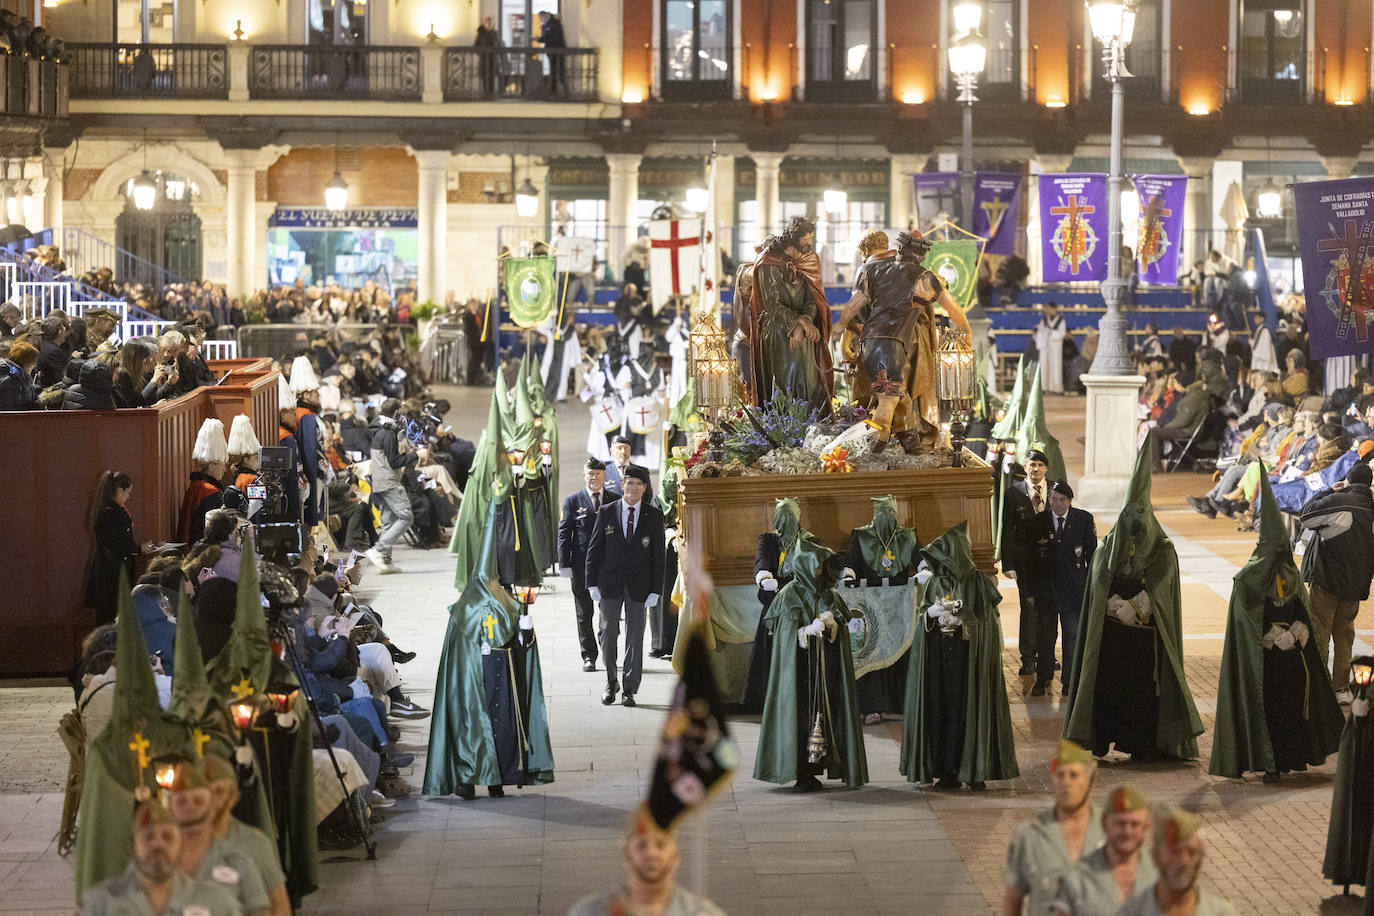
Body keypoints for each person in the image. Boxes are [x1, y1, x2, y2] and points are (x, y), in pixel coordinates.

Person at [1064, 438, 1203, 761]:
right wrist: (1111, 604)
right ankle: (1107, 737)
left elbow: (1163, 589)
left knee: (1143, 695)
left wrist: (1139, 605)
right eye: (1132, 514)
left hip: (1146, 644)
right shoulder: (1109, 546)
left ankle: (1145, 745)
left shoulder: (1162, 549)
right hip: (1113, 641)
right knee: (1112, 690)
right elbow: (1099, 582)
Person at [1210, 470, 1344, 782]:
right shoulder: (1248, 579)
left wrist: (1298, 631)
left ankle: (1291, 758)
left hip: (1293, 660)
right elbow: (1244, 620)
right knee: (1269, 709)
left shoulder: (1292, 575)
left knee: (1293, 709)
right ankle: (1270, 763)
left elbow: (1303, 608)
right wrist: (1270, 636)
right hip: (1266, 662)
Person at [424, 498, 555, 800]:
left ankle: (495, 778)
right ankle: (472, 779)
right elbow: (481, 646)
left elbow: (519, 644)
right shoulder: (474, 606)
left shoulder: (494, 602)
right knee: (476, 728)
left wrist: (525, 627)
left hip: (496, 679)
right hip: (477, 680)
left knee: (494, 729)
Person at [753, 499, 867, 793]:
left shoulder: (827, 592)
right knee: (800, 717)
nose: (819, 570)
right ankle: (801, 771)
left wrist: (831, 625)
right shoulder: (788, 594)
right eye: (815, 566)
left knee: (825, 717)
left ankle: (821, 767)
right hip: (799, 673)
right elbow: (783, 629)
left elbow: (840, 622)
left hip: (825, 671)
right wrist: (805, 630)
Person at [899, 521, 1018, 791]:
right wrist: (931, 615)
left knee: (970, 712)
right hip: (940, 661)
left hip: (969, 662)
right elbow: (922, 617)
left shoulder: (977, 582)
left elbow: (988, 622)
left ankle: (975, 770)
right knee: (942, 712)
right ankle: (948, 771)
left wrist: (963, 622)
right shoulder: (936, 582)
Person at [832, 228, 971, 449]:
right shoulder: (924, 278)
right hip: (893, 347)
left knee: (899, 393)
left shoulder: (874, 271)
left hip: (868, 344)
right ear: (922, 255)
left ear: (899, 249)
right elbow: (953, 309)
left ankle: (909, 440)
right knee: (887, 402)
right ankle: (873, 446)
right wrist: (966, 331)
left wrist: (839, 326)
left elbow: (853, 305)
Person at [585, 464, 665, 708]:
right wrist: (591, 583)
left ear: (644, 488)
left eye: (638, 484)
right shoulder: (607, 511)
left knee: (635, 636)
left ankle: (629, 688)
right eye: (629, 483)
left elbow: (658, 556)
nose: (633, 487)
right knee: (608, 634)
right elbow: (594, 549)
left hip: (639, 586)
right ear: (622, 486)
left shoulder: (653, 515)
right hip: (609, 583)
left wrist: (656, 590)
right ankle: (611, 682)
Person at [79, 800, 240, 916]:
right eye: (148, 837)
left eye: (168, 837)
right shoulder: (100, 904)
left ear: (181, 846)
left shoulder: (217, 903)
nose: (158, 845)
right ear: (132, 847)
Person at [1299, 461, 1374, 702]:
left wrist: (1331, 490)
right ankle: (1341, 688)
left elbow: (1307, 515)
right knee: (1345, 635)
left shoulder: (1340, 501)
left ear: (1348, 482)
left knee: (1321, 631)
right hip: (1356, 584)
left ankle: (1319, 686)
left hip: (1328, 581)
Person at [842, 495, 922, 721]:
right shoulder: (861, 536)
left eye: (889, 513)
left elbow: (921, 559)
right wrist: (848, 575)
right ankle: (872, 707)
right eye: (880, 514)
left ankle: (900, 705)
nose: (884, 518)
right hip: (871, 606)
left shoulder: (907, 536)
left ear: (896, 514)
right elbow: (850, 561)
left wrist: (925, 569)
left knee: (900, 651)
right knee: (873, 655)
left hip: (899, 605)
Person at [742, 217, 833, 414]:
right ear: (793, 238)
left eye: (811, 238)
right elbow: (771, 305)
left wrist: (806, 322)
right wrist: (796, 322)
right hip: (777, 331)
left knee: (809, 383)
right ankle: (786, 428)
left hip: (805, 332)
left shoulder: (810, 260)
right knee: (785, 384)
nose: (809, 242)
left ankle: (810, 424)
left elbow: (813, 298)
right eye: (806, 238)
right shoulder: (768, 262)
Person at [1003, 740, 1105, 916]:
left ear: (1090, 782)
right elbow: (1013, 898)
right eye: (1060, 775)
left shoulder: (1110, 833)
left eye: (1073, 775)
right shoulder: (1030, 836)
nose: (1066, 782)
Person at [566, 811, 725, 916]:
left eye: (660, 845)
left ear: (675, 856)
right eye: (641, 845)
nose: (651, 853)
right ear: (626, 855)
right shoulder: (591, 912)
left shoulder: (704, 913)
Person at [167, 760, 272, 915]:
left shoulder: (239, 860)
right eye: (182, 801)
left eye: (198, 801)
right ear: (170, 805)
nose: (190, 809)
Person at [1027, 480, 1095, 696]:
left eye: (1061, 500)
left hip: (1073, 589)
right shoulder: (1039, 521)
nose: (1057, 504)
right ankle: (1043, 677)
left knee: (1072, 637)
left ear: (1070, 501)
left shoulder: (1083, 520)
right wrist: (1029, 591)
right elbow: (1030, 561)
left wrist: (1091, 586)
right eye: (1053, 499)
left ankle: (1069, 680)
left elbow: (1092, 555)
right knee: (1045, 637)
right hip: (1046, 589)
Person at [202, 754, 290, 916]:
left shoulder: (253, 843)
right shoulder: (180, 843)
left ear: (234, 797)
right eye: (205, 791)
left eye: (219, 791)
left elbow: (279, 904)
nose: (211, 800)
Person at [1052, 785, 1155, 916]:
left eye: (1135, 824)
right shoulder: (1078, 877)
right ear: (1104, 823)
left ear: (1146, 827)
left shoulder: (1162, 873)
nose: (1127, 832)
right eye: (1120, 824)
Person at [1115, 807, 1238, 916]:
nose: (1183, 861)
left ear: (1200, 859)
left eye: (1192, 852)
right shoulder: (1131, 912)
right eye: (1174, 852)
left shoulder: (1221, 913)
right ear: (1155, 856)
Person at [559, 458, 621, 672]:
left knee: (608, 613)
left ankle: (607, 651)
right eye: (590, 474)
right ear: (584, 475)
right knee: (584, 613)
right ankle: (589, 655)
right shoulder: (573, 501)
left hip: (608, 566)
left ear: (604, 475)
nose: (594, 477)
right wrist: (563, 562)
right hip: (581, 566)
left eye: (598, 473)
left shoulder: (615, 500)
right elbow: (564, 534)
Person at [85, 470, 154, 625]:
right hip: (114, 576)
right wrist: (139, 548)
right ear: (119, 490)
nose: (128, 497)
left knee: (106, 619)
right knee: (114, 619)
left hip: (106, 573)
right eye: (127, 492)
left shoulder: (104, 510)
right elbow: (120, 545)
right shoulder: (114, 513)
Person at [364, 398, 415, 575]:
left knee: (389, 520)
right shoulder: (388, 433)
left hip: (379, 480)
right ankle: (379, 549)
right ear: (396, 412)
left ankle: (385, 561)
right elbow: (394, 462)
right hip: (388, 481)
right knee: (406, 517)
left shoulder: (381, 430)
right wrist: (414, 456)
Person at [177, 418, 227, 545]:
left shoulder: (195, 487)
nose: (225, 469)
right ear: (211, 466)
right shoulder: (210, 492)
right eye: (222, 464)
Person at [1033, 302, 1067, 395]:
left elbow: (1062, 334)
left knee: (1056, 367)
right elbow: (1039, 331)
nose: (1047, 311)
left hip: (1055, 347)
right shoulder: (1044, 321)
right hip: (1045, 347)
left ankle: (1056, 388)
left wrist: (1050, 331)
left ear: (1054, 309)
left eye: (1049, 309)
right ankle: (1044, 387)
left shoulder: (1061, 321)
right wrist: (1039, 333)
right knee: (1044, 366)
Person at [0, 338, 38, 409]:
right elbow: (10, 409)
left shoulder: (21, 376)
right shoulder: (12, 379)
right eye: (34, 361)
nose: (35, 365)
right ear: (27, 361)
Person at [536, 10, 567, 96]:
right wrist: (539, 39)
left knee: (560, 70)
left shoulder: (554, 23)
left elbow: (554, 38)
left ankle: (562, 91)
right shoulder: (545, 25)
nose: (540, 20)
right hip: (550, 52)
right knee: (553, 71)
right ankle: (554, 91)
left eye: (541, 18)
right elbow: (546, 37)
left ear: (545, 16)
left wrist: (540, 39)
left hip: (558, 51)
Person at [474, 15, 502, 97]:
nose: (489, 25)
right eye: (488, 23)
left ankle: (492, 93)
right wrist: (481, 53)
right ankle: (486, 93)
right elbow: (476, 46)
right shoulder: (481, 34)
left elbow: (498, 45)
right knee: (485, 76)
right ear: (484, 24)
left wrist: (497, 52)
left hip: (493, 59)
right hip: (484, 59)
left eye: (491, 23)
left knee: (492, 76)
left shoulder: (495, 33)